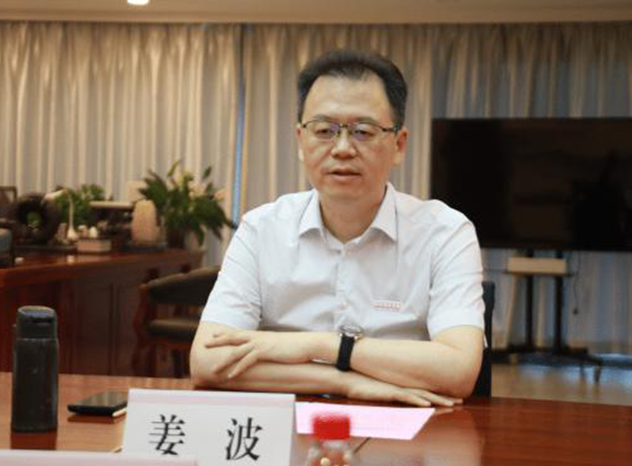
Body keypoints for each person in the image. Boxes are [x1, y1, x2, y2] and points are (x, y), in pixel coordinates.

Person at [190, 49, 484, 407]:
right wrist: (342, 381)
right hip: (288, 428)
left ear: (399, 145)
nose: (342, 148)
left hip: (407, 425)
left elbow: (458, 371)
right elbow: (208, 361)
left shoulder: (445, 232)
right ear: (301, 141)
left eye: (363, 131)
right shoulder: (261, 229)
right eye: (324, 130)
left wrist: (321, 346)